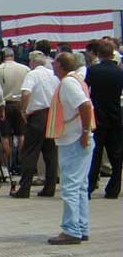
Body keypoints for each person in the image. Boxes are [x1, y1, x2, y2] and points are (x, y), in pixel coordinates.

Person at [45, 53, 95, 245]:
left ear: (60, 65)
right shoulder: (76, 80)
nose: (52, 65)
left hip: (73, 139)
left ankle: (71, 229)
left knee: (70, 186)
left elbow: (85, 105)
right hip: (76, 138)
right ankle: (81, 227)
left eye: (54, 62)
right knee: (80, 186)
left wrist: (84, 132)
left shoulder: (68, 83)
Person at [11, 51, 59, 198]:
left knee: (30, 152)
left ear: (32, 62)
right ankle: (50, 187)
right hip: (52, 114)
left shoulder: (32, 74)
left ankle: (24, 188)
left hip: (37, 115)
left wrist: (23, 110)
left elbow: (26, 93)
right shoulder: (53, 75)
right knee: (51, 153)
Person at [86, 40, 123, 199]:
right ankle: (114, 187)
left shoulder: (92, 71)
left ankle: (90, 186)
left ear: (99, 54)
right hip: (115, 115)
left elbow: (86, 90)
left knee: (95, 153)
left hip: (97, 116)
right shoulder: (119, 72)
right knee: (116, 155)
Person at [0, 48, 30, 173]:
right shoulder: (25, 68)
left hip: (6, 103)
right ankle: (24, 163)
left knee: (5, 136)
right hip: (21, 103)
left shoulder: (0, 69)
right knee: (21, 135)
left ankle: (5, 166)